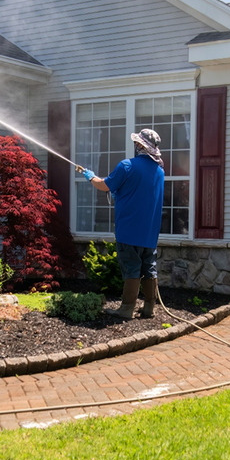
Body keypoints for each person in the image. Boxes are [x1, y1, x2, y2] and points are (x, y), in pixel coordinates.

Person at [77, 129, 165, 319]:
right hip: (150, 231)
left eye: (137, 143)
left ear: (140, 145)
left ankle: (126, 308)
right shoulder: (159, 171)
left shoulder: (127, 165)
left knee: (131, 267)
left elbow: (104, 185)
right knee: (149, 267)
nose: (135, 145)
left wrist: (90, 176)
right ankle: (149, 308)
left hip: (129, 228)